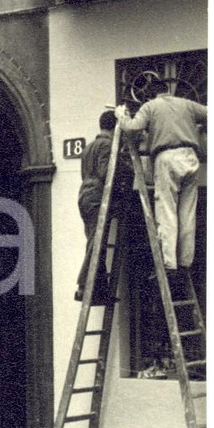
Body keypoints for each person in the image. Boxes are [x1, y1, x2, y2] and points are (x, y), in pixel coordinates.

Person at [116, 81, 207, 297]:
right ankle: (185, 262)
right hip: (190, 157)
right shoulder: (186, 104)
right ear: (168, 90)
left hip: (166, 158)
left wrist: (121, 115)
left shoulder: (150, 106)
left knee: (167, 211)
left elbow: (132, 127)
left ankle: (169, 265)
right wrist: (199, 130)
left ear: (151, 94)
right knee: (187, 213)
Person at [75, 110, 133, 305]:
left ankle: (99, 290)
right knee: (96, 243)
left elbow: (88, 173)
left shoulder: (89, 147)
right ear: (115, 126)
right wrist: (127, 169)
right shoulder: (108, 145)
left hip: (85, 196)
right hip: (98, 197)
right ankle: (84, 286)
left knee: (95, 241)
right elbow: (106, 172)